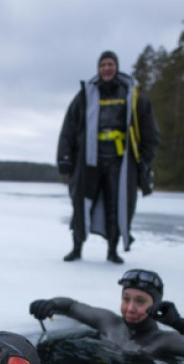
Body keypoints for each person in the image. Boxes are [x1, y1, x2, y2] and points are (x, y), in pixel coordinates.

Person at [57, 51, 159, 264]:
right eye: (103, 65)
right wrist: (65, 158)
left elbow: (149, 130)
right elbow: (69, 128)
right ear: (98, 68)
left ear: (117, 67)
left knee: (117, 206)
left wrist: (145, 158)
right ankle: (77, 248)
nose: (106, 68)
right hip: (88, 161)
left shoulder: (133, 95)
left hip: (120, 163)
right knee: (81, 204)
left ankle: (112, 250)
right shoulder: (85, 95)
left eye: (110, 64)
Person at [29, 269, 184, 364]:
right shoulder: (109, 323)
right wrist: (52, 304)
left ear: (155, 304)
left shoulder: (163, 341)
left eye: (140, 301)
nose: (130, 308)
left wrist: (181, 324)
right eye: (126, 299)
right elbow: (72, 306)